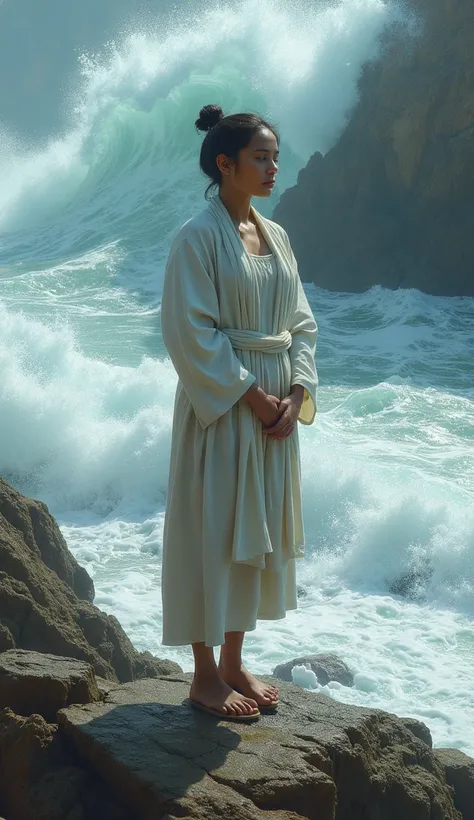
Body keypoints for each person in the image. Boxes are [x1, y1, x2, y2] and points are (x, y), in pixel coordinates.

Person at [160, 104, 318, 721]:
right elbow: (189, 333)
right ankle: (203, 676)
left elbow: (301, 321)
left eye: (276, 156)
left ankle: (232, 662)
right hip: (224, 410)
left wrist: (298, 393)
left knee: (254, 533)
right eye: (261, 156)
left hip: (275, 410)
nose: (274, 166)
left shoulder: (276, 236)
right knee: (213, 529)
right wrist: (254, 397)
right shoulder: (196, 237)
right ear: (225, 164)